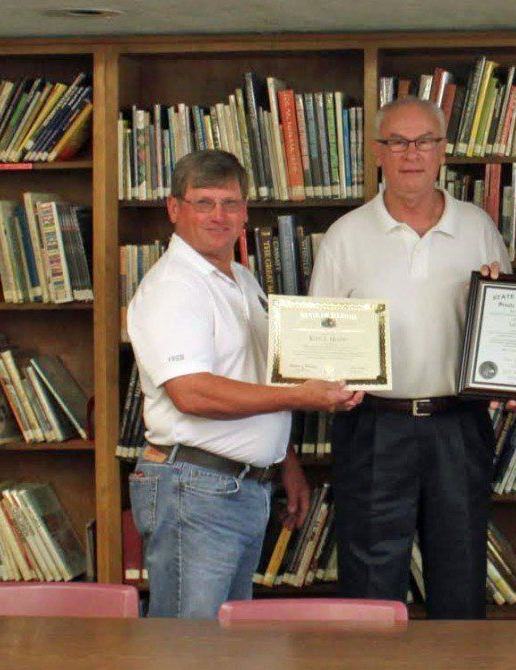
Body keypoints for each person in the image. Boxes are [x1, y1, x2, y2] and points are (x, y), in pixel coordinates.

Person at [126, 149, 362, 619]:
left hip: (235, 488)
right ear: (174, 209)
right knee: (189, 649)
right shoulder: (174, 287)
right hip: (194, 489)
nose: (219, 216)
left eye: (230, 203)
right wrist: (303, 397)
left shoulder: (239, 277)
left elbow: (252, 375)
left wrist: (284, 461)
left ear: (245, 212)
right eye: (204, 202)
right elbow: (191, 393)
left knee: (225, 645)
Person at [309, 97, 512, 619]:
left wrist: (499, 306)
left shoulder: (478, 227)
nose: (411, 154)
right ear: (378, 152)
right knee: (371, 579)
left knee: (461, 570)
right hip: (374, 424)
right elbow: (316, 341)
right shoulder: (345, 236)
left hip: (458, 424)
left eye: (424, 141)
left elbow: (509, 332)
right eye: (397, 142)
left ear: (442, 151)